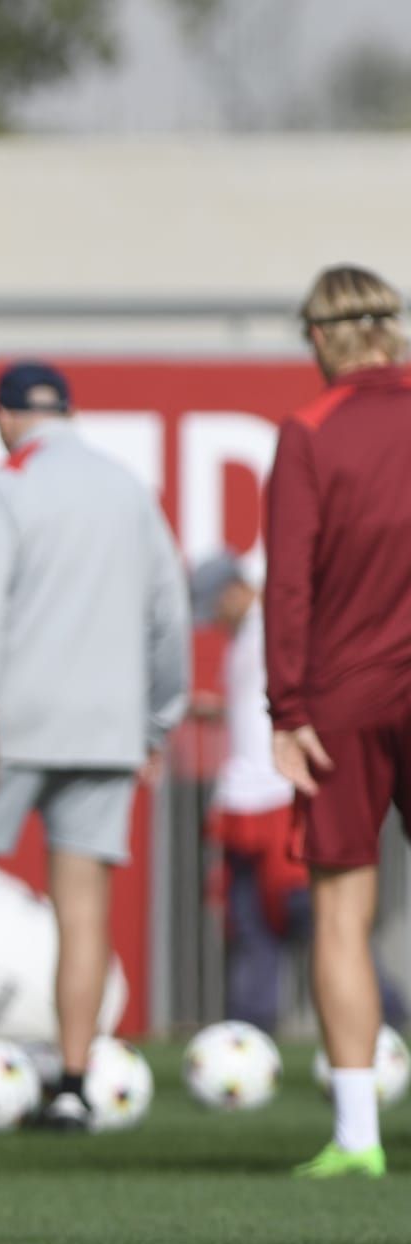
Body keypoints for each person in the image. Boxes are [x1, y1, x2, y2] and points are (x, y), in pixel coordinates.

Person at [0, 361, 190, 1130]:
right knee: (83, 910)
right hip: (106, 725)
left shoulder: (7, 484)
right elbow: (170, 612)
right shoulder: (126, 487)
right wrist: (156, 721)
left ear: (5, 416)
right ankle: (70, 1078)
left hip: (13, 721)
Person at [263, 264, 411, 1179]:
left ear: (319, 339)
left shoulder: (310, 430)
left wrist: (286, 708)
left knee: (341, 910)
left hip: (345, 697)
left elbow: (289, 582)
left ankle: (357, 1135)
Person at [195, 553, 308, 1032]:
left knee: (319, 919)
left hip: (280, 800)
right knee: (250, 926)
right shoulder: (244, 638)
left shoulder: (276, 626)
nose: (214, 619)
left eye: (215, 605)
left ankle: (387, 1015)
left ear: (234, 590)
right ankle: (250, 1029)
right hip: (245, 801)